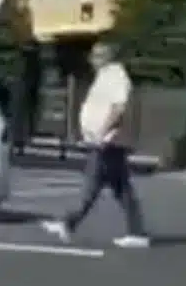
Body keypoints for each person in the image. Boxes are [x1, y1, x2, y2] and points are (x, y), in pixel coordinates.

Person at [40, 41, 151, 249]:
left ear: (108, 57)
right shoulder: (106, 76)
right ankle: (137, 232)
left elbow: (119, 107)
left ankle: (68, 223)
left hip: (108, 141)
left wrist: (103, 131)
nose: (92, 60)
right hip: (105, 141)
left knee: (93, 184)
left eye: (97, 55)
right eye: (93, 55)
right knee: (121, 188)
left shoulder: (116, 76)